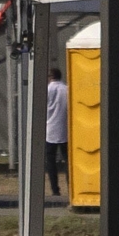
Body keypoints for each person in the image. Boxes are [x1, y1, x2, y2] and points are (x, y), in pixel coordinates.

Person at [46, 67, 68, 197]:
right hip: (65, 129)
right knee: (68, 160)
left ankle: (55, 189)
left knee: (51, 161)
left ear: (50, 77)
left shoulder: (48, 90)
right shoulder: (66, 89)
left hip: (50, 129)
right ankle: (71, 187)